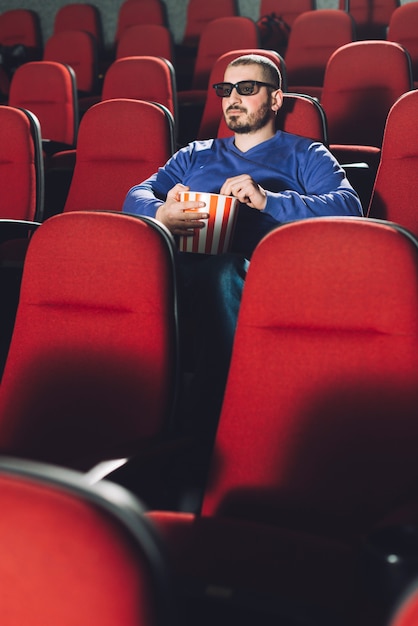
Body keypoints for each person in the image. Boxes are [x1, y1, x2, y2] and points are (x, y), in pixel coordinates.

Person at [122, 54, 363, 447]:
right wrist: (161, 212)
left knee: (222, 272)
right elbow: (136, 195)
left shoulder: (306, 154)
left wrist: (269, 201)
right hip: (181, 262)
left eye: (247, 88)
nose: (232, 97)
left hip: (260, 273)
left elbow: (348, 207)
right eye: (225, 90)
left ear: (276, 98)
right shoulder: (195, 154)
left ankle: (217, 423)